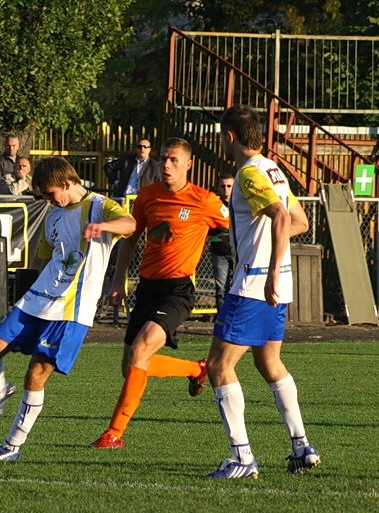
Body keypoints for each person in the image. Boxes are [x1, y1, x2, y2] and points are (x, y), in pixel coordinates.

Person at [0, 157, 135, 461]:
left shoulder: (99, 206)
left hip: (71, 310)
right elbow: (45, 258)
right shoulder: (52, 216)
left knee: (36, 374)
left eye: (51, 194)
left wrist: (103, 227)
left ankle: (12, 447)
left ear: (67, 183)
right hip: (38, 298)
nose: (49, 201)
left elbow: (130, 224)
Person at [89, 137, 229, 450]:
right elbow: (130, 238)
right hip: (147, 287)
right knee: (131, 367)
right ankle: (197, 368)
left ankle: (113, 434)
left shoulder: (204, 200)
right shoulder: (147, 196)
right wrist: (117, 282)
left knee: (141, 351)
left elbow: (235, 226)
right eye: (164, 158)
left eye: (174, 160)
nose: (166, 165)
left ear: (188, 164)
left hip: (177, 290)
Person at [203, 105, 319, 479]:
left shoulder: (249, 173)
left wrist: (267, 268)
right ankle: (301, 446)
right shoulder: (274, 169)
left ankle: (241, 457)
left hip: (254, 284)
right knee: (269, 364)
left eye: (221, 137)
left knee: (220, 366)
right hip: (277, 285)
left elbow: (282, 218)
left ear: (230, 138)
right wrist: (276, 265)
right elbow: (299, 220)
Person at [209, 174, 235, 312]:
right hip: (219, 252)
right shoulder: (213, 205)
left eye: (229, 186)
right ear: (218, 188)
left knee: (239, 289)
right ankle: (221, 323)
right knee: (221, 290)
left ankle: (236, 322)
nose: (226, 189)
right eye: (223, 186)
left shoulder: (241, 203)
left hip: (238, 252)